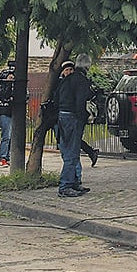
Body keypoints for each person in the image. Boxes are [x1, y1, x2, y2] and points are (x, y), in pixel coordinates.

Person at [54, 58, 92, 197]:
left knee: (72, 151)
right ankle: (66, 185)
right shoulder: (81, 80)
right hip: (72, 116)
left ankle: (74, 183)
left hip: (62, 116)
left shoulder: (66, 80)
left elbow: (56, 98)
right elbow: (81, 102)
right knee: (72, 152)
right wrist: (85, 117)